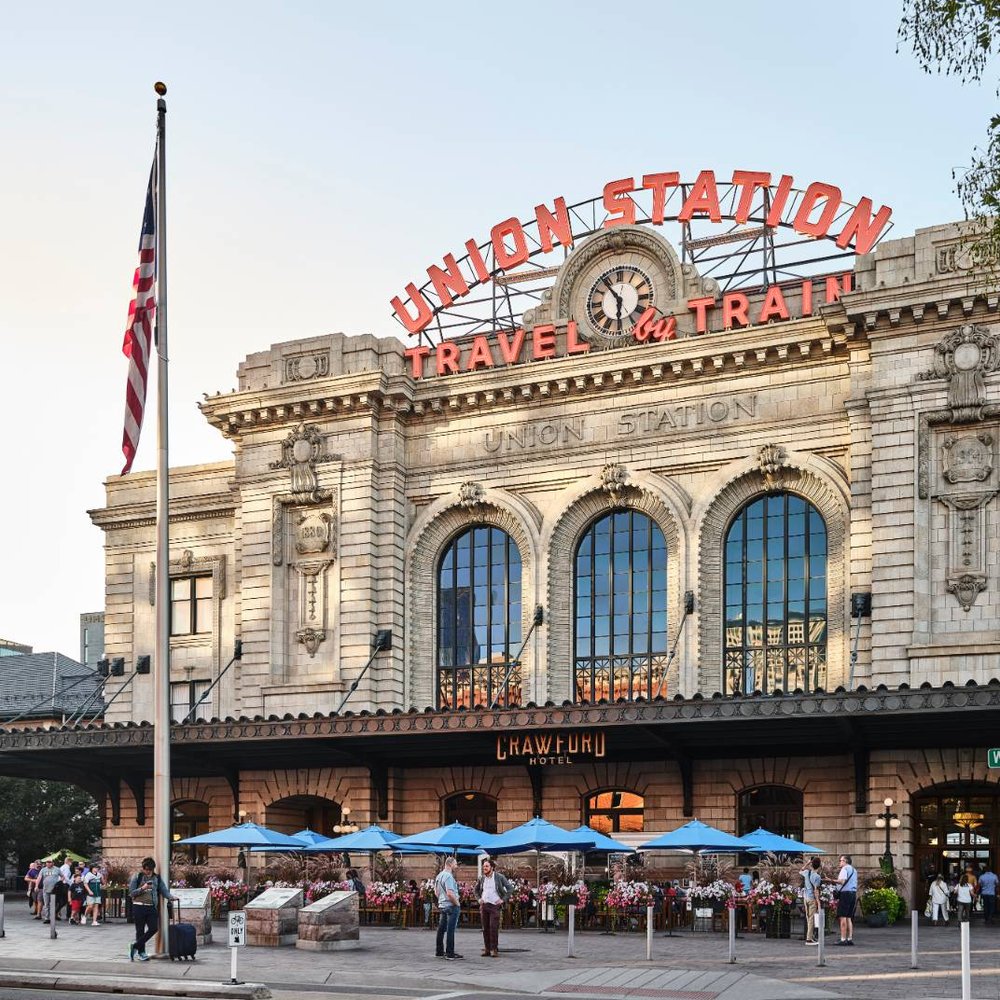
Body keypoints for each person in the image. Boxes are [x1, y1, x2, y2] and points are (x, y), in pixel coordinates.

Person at [128, 857, 177, 961]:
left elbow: (163, 890)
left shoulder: (157, 878)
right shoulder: (137, 876)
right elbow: (131, 893)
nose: (148, 872)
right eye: (146, 870)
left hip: (151, 907)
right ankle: (142, 953)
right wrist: (143, 888)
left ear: (153, 869)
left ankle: (135, 945)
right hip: (138, 906)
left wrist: (171, 897)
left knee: (154, 928)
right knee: (140, 931)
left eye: (150, 870)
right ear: (143, 868)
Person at [474, 857, 513, 957]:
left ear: (492, 867)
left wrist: (502, 900)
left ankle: (494, 949)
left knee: (493, 927)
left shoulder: (499, 877)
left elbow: (510, 889)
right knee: (485, 928)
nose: (484, 868)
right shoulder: (481, 878)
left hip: (494, 906)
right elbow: (476, 890)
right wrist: (479, 899)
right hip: (484, 905)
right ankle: (487, 949)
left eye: (486, 866)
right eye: (483, 867)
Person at [434, 856, 462, 961]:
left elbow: (436, 892)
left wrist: (442, 900)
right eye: (455, 864)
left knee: (441, 929)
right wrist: (457, 903)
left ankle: (439, 952)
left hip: (442, 905)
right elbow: (450, 893)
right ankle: (450, 953)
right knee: (450, 930)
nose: (456, 866)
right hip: (451, 906)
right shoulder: (448, 876)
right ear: (450, 864)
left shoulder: (439, 876)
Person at [835, 854, 858, 946]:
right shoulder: (854, 870)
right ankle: (849, 938)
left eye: (841, 860)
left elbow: (842, 881)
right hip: (853, 893)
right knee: (849, 917)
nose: (840, 862)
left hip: (845, 894)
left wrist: (831, 880)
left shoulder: (844, 869)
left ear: (845, 861)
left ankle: (843, 939)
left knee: (842, 916)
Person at [802, 857, 823, 945]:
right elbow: (816, 890)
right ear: (819, 866)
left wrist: (807, 863)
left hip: (805, 897)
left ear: (811, 864)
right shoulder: (817, 877)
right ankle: (809, 939)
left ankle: (810, 936)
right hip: (812, 899)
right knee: (811, 919)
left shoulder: (807, 872)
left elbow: (801, 869)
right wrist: (818, 902)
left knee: (808, 918)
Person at [36, 859, 61, 925]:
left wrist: (59, 883)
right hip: (46, 889)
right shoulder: (43, 870)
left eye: (50, 862)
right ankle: (47, 918)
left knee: (54, 904)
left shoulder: (57, 869)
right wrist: (36, 886)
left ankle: (53, 916)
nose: (48, 863)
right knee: (46, 904)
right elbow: (39, 877)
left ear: (53, 863)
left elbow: (62, 876)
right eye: (47, 862)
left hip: (54, 890)